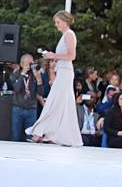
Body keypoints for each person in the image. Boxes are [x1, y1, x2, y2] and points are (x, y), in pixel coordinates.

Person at [25, 10, 82, 146]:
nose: (56, 25)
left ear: (65, 21)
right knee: (61, 103)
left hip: (66, 72)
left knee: (54, 102)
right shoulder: (66, 36)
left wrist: (53, 56)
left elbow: (71, 56)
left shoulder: (69, 35)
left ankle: (40, 133)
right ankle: (50, 134)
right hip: (63, 71)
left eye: (58, 22)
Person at [10, 54, 43, 141]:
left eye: (31, 63)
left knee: (30, 138)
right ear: (21, 64)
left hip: (31, 110)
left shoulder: (35, 75)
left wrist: (39, 79)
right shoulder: (16, 74)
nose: (29, 65)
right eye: (26, 63)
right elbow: (16, 89)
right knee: (15, 136)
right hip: (18, 108)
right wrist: (23, 74)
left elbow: (40, 92)